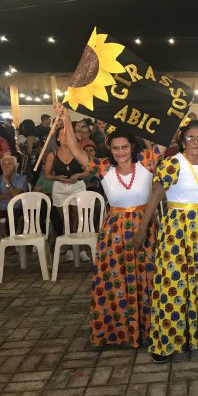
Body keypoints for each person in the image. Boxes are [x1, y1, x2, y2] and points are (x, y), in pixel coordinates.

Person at [59, 105, 161, 347]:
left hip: (144, 228)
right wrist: (66, 119)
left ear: (132, 147)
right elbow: (74, 149)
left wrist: (173, 111)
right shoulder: (104, 167)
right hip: (113, 233)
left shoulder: (147, 162)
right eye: (115, 148)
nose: (120, 152)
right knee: (116, 281)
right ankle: (119, 331)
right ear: (110, 149)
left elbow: (163, 140)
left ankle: (148, 329)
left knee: (148, 278)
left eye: (124, 147)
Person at [133, 120, 198, 361]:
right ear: (182, 141)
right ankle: (166, 341)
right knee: (173, 282)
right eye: (190, 138)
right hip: (176, 229)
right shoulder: (172, 164)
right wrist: (142, 228)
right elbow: (156, 196)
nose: (195, 142)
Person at [44, 127, 91, 261]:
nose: (65, 137)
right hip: (60, 188)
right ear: (58, 139)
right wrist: (58, 178)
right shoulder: (52, 155)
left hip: (77, 186)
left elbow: (88, 171)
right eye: (62, 135)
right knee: (66, 219)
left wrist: (78, 175)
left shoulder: (80, 153)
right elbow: (47, 175)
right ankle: (70, 248)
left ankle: (81, 249)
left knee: (79, 218)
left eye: (67, 134)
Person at [0, 156, 27, 237]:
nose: (6, 166)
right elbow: (14, 195)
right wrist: (10, 195)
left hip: (15, 208)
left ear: (16, 166)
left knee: (12, 216)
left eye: (9, 164)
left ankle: (10, 240)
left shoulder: (22, 178)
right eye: (4, 164)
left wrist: (7, 180)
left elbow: (15, 195)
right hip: (1, 208)